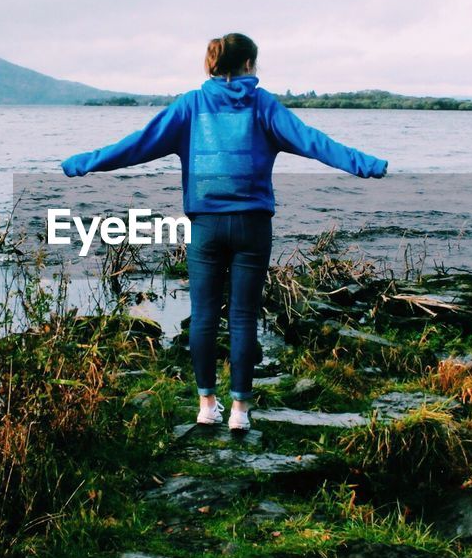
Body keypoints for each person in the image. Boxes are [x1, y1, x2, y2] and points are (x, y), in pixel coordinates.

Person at [61, 33, 387, 430]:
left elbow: (137, 145)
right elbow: (314, 142)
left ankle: (205, 406)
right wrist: (364, 163)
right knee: (244, 316)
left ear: (211, 65)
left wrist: (85, 162)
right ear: (249, 64)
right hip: (253, 227)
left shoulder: (191, 106)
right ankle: (239, 413)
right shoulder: (263, 105)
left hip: (207, 227)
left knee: (203, 317)